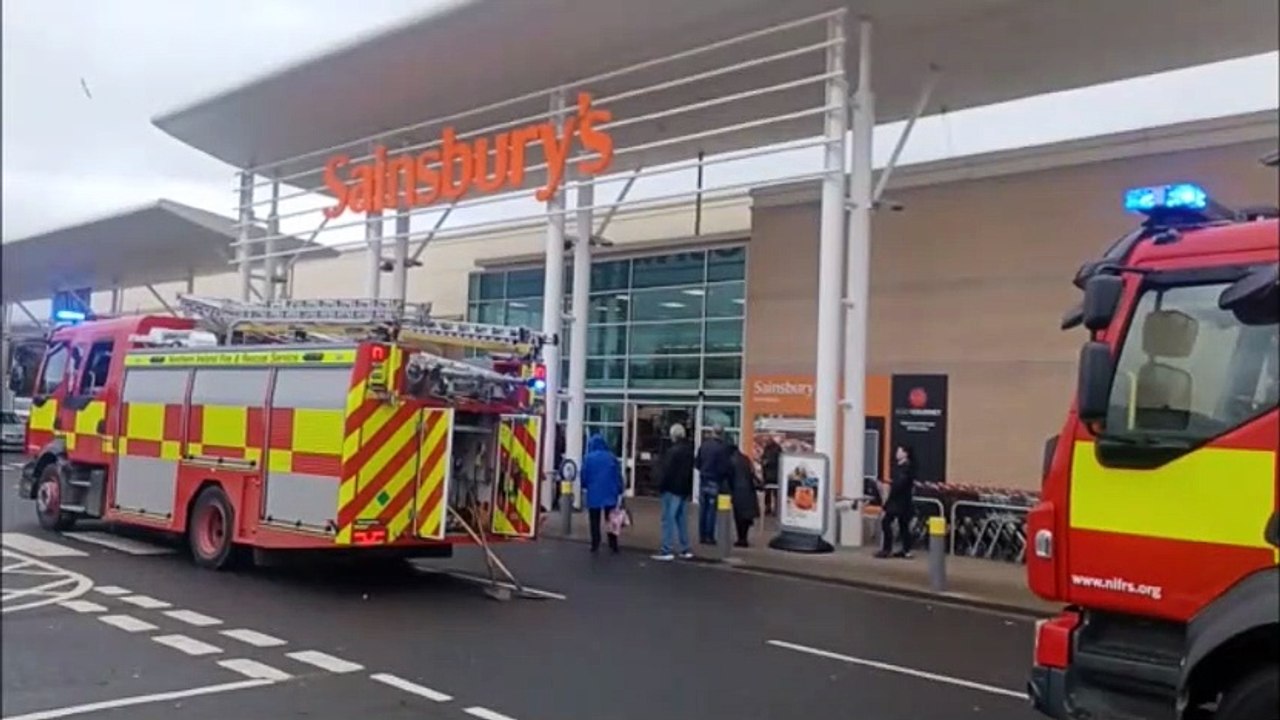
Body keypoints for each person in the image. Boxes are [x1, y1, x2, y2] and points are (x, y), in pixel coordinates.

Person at [652, 423, 695, 561]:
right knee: (681, 520)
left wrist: (660, 486)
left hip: (671, 489)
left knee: (668, 519)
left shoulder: (672, 452)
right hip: (683, 489)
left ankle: (666, 549)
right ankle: (685, 548)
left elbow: (666, 472)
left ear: (673, 436)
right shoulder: (689, 451)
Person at [581, 433, 623, 554]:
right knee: (611, 519)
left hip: (594, 493)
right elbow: (618, 475)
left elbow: (584, 475)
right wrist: (620, 489)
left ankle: (595, 543)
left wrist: (585, 485)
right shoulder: (611, 457)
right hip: (610, 492)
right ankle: (613, 543)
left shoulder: (588, 458)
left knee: (594, 520)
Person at [876, 444, 917, 559]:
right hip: (903, 502)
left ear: (905, 453)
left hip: (898, 502)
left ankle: (887, 549)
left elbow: (899, 485)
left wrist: (888, 498)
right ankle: (906, 550)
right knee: (903, 525)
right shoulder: (903, 467)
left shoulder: (905, 468)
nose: (897, 453)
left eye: (899, 451)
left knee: (886, 522)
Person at [695, 425, 732, 545]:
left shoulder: (704, 445)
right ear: (721, 433)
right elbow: (725, 467)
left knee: (703, 508)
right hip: (715, 480)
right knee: (711, 509)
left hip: (704, 479)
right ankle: (709, 536)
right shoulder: (723, 448)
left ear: (712, 432)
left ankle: (702, 535)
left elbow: (697, 463)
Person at [728, 437, 761, 547]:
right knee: (746, 518)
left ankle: (741, 539)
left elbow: (730, 477)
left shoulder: (731, 460)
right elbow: (752, 473)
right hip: (749, 490)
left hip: (738, 492)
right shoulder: (745, 458)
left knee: (739, 517)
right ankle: (744, 538)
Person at [759, 436, 781, 516]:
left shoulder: (776, 449)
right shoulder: (768, 448)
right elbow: (764, 457)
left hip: (774, 474)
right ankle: (769, 508)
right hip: (768, 474)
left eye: (766, 441)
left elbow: (775, 460)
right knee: (769, 493)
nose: (765, 442)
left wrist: (766, 462)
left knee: (774, 493)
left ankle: (775, 509)